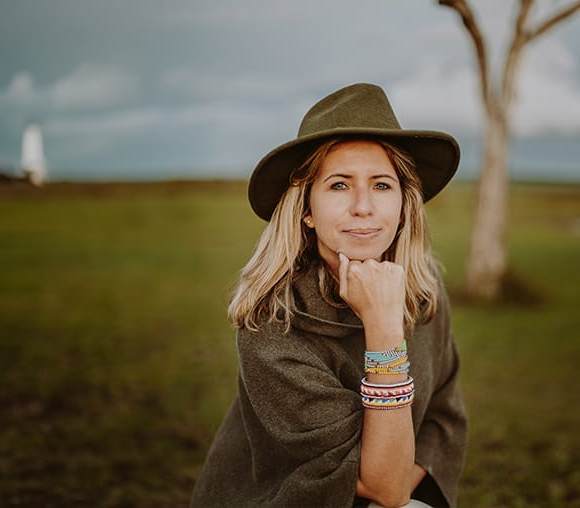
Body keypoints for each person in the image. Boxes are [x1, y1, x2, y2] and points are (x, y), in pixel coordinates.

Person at [191, 83, 467, 508]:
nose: (363, 206)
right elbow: (382, 488)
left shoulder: (423, 287)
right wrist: (383, 328)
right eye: (339, 186)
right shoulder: (272, 323)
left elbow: (443, 416)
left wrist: (401, 489)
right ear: (307, 209)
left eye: (381, 185)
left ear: (403, 206)